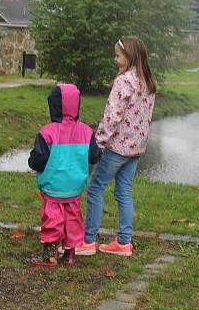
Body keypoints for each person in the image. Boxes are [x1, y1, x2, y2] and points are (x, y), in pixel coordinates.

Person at [76, 36, 157, 258]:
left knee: (95, 187)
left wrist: (99, 141)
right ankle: (124, 242)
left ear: (129, 57)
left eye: (118, 55)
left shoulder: (125, 82)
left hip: (116, 147)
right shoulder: (147, 82)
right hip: (136, 148)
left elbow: (113, 115)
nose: (115, 59)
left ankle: (88, 241)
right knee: (124, 191)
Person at [27, 84, 101, 268]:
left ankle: (50, 257)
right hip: (74, 188)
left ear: (54, 106)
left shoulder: (47, 132)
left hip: (53, 187)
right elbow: (94, 156)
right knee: (72, 220)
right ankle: (69, 255)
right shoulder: (87, 131)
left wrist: (32, 162)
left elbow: (38, 160)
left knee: (53, 220)